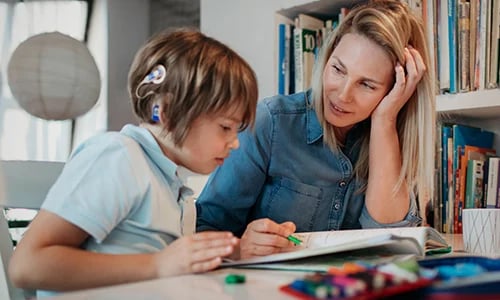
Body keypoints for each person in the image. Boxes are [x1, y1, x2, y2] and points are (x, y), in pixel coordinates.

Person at [8, 28, 258, 296]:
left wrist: (230, 251)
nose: (235, 143)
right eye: (225, 127)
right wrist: (158, 265)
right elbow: (27, 265)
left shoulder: (167, 179)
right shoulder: (118, 157)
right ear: (168, 114)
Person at [196, 0, 436, 260]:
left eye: (366, 84)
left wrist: (384, 121)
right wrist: (241, 247)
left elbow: (393, 243)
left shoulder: (394, 139)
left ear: (395, 90)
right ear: (327, 56)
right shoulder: (272, 122)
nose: (342, 95)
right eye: (337, 69)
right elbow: (204, 229)